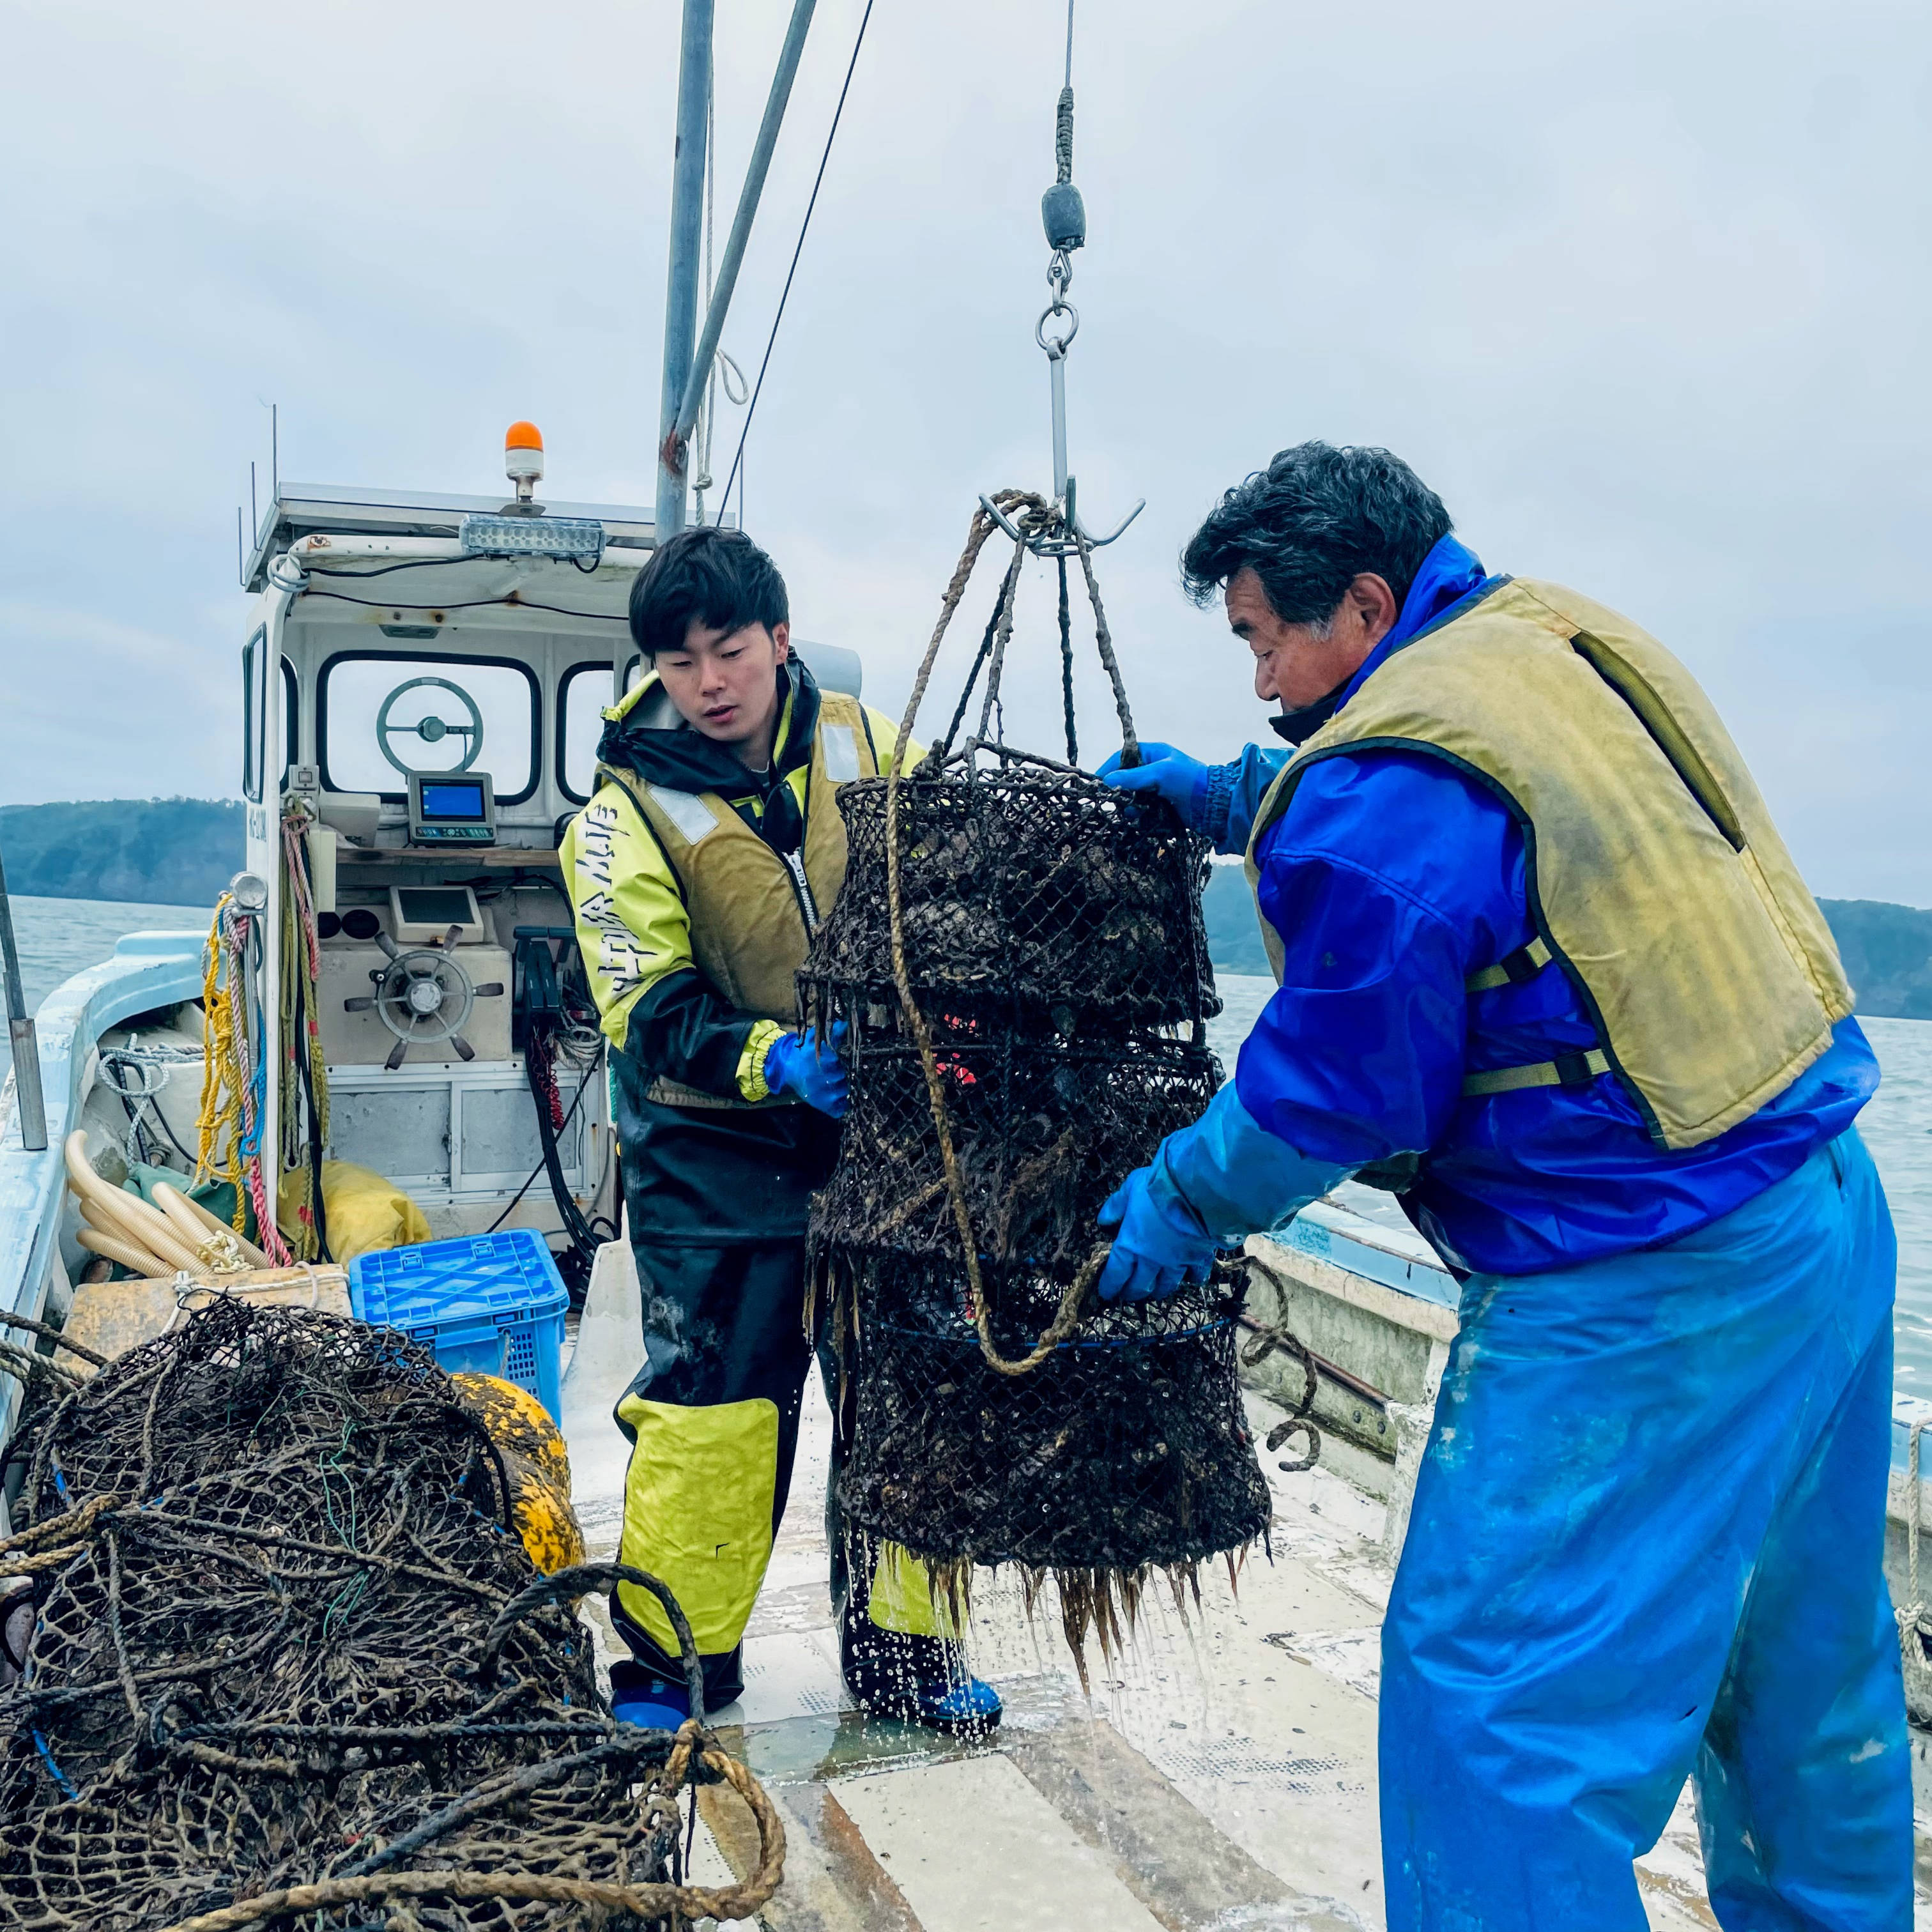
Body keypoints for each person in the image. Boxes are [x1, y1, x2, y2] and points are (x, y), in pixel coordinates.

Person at [1096, 443, 1910, 1929]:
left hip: (1645, 1289)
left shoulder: (1383, 795)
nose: (1263, 671)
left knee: (1495, 1720)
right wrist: (1240, 798)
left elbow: (1320, 1101)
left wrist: (1179, 1201)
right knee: (1802, 1670)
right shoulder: (1552, 640)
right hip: (1828, 1219)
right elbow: (1494, 830)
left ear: (1364, 600)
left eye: (1268, 635)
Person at [563, 525, 1000, 1735]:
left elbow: (954, 882)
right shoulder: (618, 816)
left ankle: (907, 1656)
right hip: (714, 1158)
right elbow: (647, 1012)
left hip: (884, 1138)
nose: (709, 682)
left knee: (915, 1392)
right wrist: (779, 1062)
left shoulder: (869, 744)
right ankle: (671, 1672)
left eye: (731, 650)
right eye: (681, 657)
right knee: (718, 1408)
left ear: (780, 640)